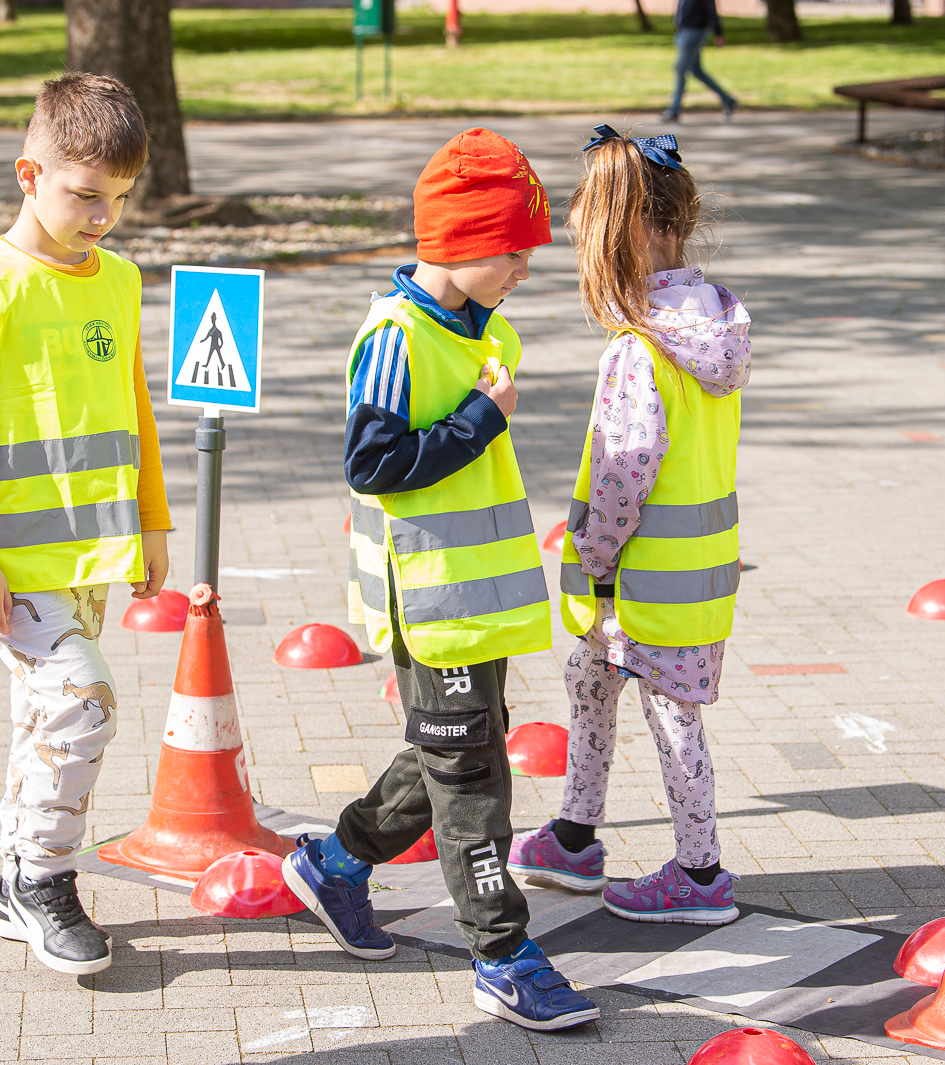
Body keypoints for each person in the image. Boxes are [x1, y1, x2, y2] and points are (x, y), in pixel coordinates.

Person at [283, 128, 599, 1032]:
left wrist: (481, 414)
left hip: (479, 599)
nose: (523, 273)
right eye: (514, 252)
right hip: (428, 601)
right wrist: (478, 420)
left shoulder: (492, 330)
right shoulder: (393, 337)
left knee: (459, 748)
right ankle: (501, 953)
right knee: (471, 777)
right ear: (460, 243)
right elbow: (374, 463)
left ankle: (337, 861)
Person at [0, 72, 171, 975]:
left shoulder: (120, 280)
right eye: (84, 195)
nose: (102, 216)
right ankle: (42, 878)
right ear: (29, 173)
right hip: (14, 567)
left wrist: (152, 520)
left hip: (90, 560)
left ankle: (7, 883)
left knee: (44, 719)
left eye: (117, 199)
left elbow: (135, 407)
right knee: (82, 703)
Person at [507, 124, 750, 924]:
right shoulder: (711, 332)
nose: (578, 237)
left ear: (634, 234)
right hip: (690, 580)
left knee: (670, 716)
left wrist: (594, 555)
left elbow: (623, 471)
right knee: (591, 679)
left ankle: (700, 872)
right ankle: (576, 835)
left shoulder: (641, 351)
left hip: (639, 583)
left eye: (589, 225)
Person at [661, 0, 735, 125]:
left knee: (680, 68)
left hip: (695, 31)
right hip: (683, 31)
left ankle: (674, 110)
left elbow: (712, 11)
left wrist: (719, 33)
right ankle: (728, 100)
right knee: (696, 71)